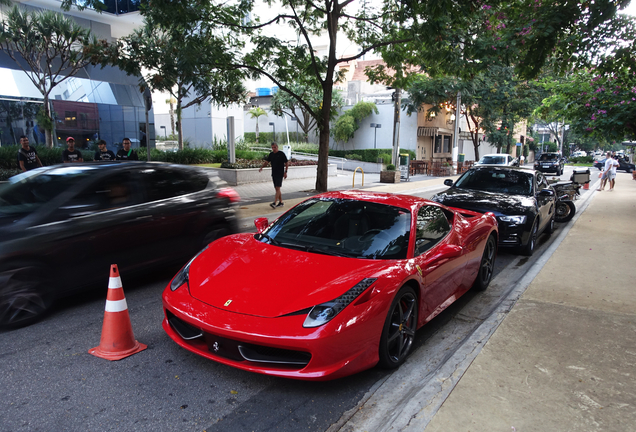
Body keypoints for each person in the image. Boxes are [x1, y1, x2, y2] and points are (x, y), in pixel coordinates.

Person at [259, 142, 289, 208]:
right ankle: (281, 202)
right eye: (272, 147)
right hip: (274, 173)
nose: (273, 149)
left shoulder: (281, 154)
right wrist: (262, 167)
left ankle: (274, 203)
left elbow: (286, 163)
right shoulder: (271, 154)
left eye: (274, 147)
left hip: (280, 173)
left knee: (278, 188)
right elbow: (267, 162)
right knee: (277, 189)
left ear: (277, 147)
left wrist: (285, 171)